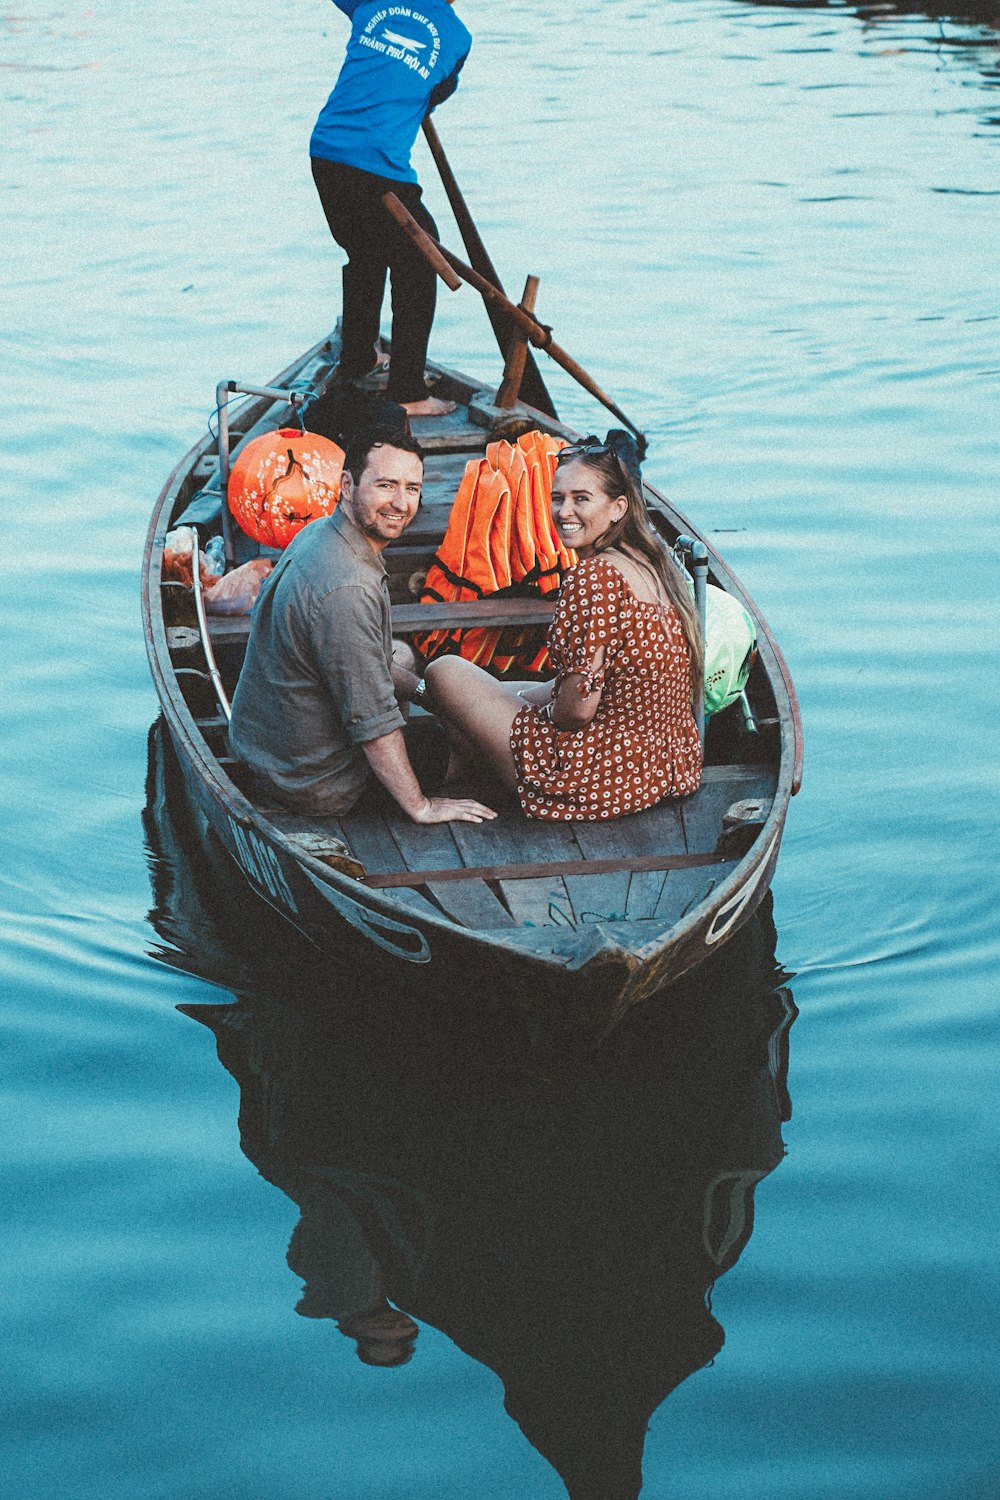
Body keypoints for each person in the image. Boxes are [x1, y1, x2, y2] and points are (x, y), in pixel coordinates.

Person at [423, 433, 705, 821]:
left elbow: (575, 712)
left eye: (581, 498)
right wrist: (508, 695)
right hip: (664, 769)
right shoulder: (654, 564)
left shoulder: (595, 576)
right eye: (558, 498)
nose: (564, 511)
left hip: (594, 779)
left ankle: (445, 735)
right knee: (489, 693)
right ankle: (466, 750)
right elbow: (598, 683)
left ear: (618, 508)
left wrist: (522, 710)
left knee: (445, 672)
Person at [229, 423, 495, 825]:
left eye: (412, 488)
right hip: (317, 782)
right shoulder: (347, 588)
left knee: (402, 655)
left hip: (267, 749)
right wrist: (421, 805)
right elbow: (373, 724)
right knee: (475, 743)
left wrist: (430, 696)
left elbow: (365, 661)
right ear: (347, 485)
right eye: (386, 485)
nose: (401, 503)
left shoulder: (320, 531)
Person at [309, 0, 471, 419]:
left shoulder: (374, 2)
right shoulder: (456, 38)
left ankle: (360, 356)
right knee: (420, 264)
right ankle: (407, 391)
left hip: (326, 152)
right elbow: (439, 91)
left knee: (365, 253)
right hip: (376, 162)